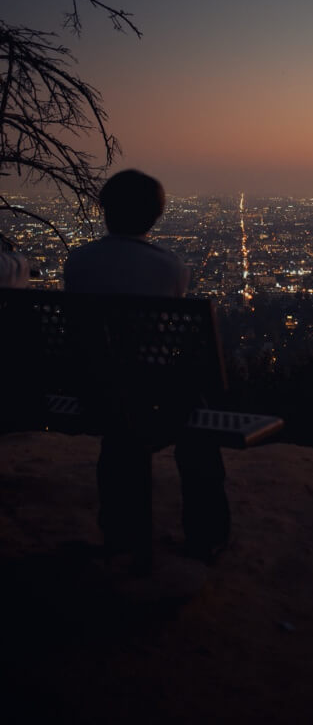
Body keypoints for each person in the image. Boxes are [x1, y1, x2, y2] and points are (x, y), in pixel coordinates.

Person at [64, 169, 230, 563]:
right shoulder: (171, 268)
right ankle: (206, 534)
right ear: (155, 216)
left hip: (93, 393)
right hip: (152, 397)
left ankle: (120, 532)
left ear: (106, 210)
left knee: (121, 432)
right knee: (198, 426)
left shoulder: (77, 262)